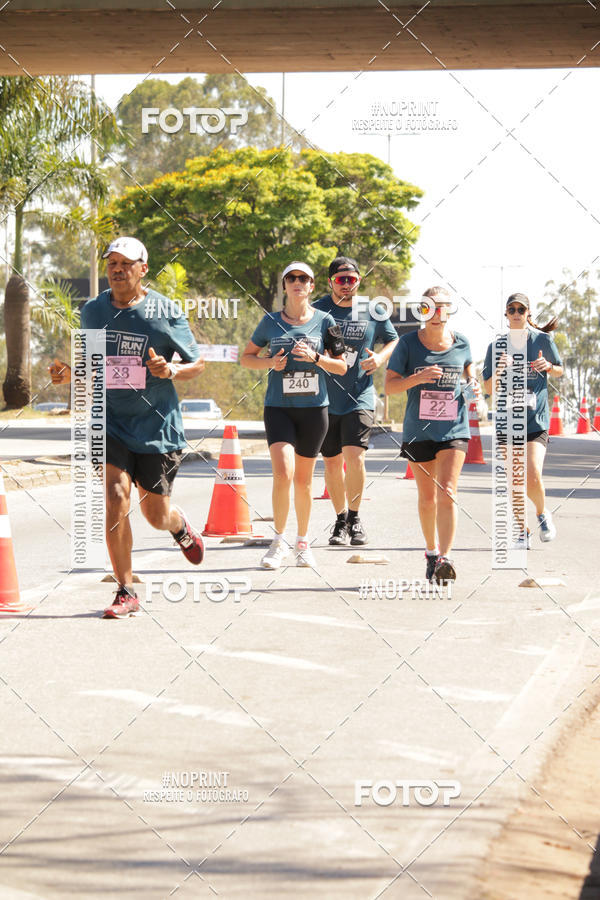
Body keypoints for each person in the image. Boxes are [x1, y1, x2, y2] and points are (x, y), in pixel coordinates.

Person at [50, 236, 206, 618]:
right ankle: (125, 589)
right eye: (112, 263)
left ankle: (179, 525)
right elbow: (90, 365)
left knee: (155, 515)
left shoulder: (164, 311)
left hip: (157, 426)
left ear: (143, 269)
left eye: (125, 263)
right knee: (116, 495)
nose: (117, 270)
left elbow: (197, 364)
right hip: (111, 422)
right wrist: (69, 374)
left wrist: (170, 369)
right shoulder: (93, 310)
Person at [241, 261, 347, 569]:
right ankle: (279, 541)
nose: (298, 282)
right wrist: (269, 363)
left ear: (312, 286)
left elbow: (342, 366)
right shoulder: (270, 322)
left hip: (314, 410)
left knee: (303, 481)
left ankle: (303, 543)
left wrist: (316, 357)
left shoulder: (326, 321)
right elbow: (246, 358)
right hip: (279, 408)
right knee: (283, 473)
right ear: (284, 285)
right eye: (291, 278)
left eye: (304, 278)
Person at [385, 286, 480, 583]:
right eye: (431, 307)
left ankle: (445, 558)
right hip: (418, 430)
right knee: (427, 499)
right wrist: (418, 378)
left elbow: (469, 373)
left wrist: (474, 386)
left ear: (450, 310)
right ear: (422, 310)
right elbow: (389, 386)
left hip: (454, 428)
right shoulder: (408, 344)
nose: (438, 313)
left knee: (447, 491)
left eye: (444, 307)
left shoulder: (462, 342)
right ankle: (430, 551)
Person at [313, 257, 398, 546]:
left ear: (359, 281)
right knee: (332, 463)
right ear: (330, 282)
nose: (347, 284)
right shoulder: (318, 309)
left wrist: (380, 357)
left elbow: (393, 339)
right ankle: (339, 520)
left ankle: (355, 517)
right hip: (324, 397)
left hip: (360, 395)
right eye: (341, 279)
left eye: (352, 279)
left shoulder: (372, 309)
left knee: (356, 457)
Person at [483, 293, 563, 547]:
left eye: (521, 309)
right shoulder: (496, 346)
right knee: (514, 480)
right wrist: (499, 369)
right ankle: (522, 530)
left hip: (535, 420)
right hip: (508, 422)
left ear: (528, 313)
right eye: (512, 309)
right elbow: (488, 388)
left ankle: (541, 513)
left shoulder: (543, 340)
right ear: (506, 315)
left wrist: (548, 366)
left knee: (533, 475)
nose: (516, 313)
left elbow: (560, 369)